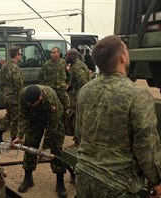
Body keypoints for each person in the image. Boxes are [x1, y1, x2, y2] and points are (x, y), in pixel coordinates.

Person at [74, 35, 161, 198]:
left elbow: (80, 132)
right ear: (122, 57)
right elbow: (146, 146)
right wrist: (155, 181)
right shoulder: (138, 96)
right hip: (117, 185)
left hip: (84, 175)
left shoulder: (85, 90)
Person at [13, 84, 67, 198]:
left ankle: (60, 183)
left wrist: (43, 148)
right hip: (35, 120)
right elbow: (23, 116)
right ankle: (28, 179)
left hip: (53, 119)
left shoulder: (50, 98)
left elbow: (52, 126)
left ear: (40, 98)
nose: (29, 105)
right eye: (27, 103)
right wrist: (19, 136)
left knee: (56, 149)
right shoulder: (24, 96)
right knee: (30, 147)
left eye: (32, 103)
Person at [0, 46, 24, 143]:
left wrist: (6, 93)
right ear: (17, 55)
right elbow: (18, 84)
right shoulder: (15, 68)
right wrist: (21, 97)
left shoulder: (4, 66)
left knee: (9, 115)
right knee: (15, 118)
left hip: (6, 95)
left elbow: (1, 83)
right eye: (20, 54)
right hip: (14, 97)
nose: (21, 56)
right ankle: (14, 140)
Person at [38, 47, 71, 135]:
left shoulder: (63, 63)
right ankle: (52, 128)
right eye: (51, 53)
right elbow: (40, 78)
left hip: (62, 90)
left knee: (66, 108)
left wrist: (68, 83)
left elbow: (69, 74)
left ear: (59, 53)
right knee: (52, 109)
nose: (52, 54)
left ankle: (64, 128)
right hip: (52, 91)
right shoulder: (47, 64)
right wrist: (45, 88)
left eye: (54, 52)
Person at [65, 49, 90, 144]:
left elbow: (82, 84)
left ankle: (78, 140)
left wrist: (77, 99)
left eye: (67, 56)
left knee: (78, 119)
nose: (65, 58)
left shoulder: (78, 67)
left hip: (80, 97)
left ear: (72, 56)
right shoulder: (75, 66)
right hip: (78, 95)